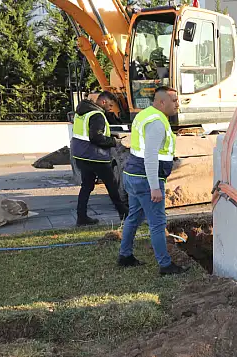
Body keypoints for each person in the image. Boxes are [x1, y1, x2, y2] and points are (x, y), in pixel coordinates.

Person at [118, 87, 187, 275]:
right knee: (157, 223)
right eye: (174, 101)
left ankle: (125, 256)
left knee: (134, 217)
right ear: (161, 102)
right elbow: (150, 156)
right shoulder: (157, 123)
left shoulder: (145, 115)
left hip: (133, 175)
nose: (178, 104)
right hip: (146, 179)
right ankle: (165, 265)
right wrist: (155, 187)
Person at [71, 91, 129, 226]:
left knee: (86, 186)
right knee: (112, 185)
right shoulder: (97, 116)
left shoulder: (83, 112)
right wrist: (114, 142)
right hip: (96, 156)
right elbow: (96, 137)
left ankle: (82, 217)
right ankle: (124, 213)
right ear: (103, 102)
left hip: (81, 155)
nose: (110, 108)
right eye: (110, 105)